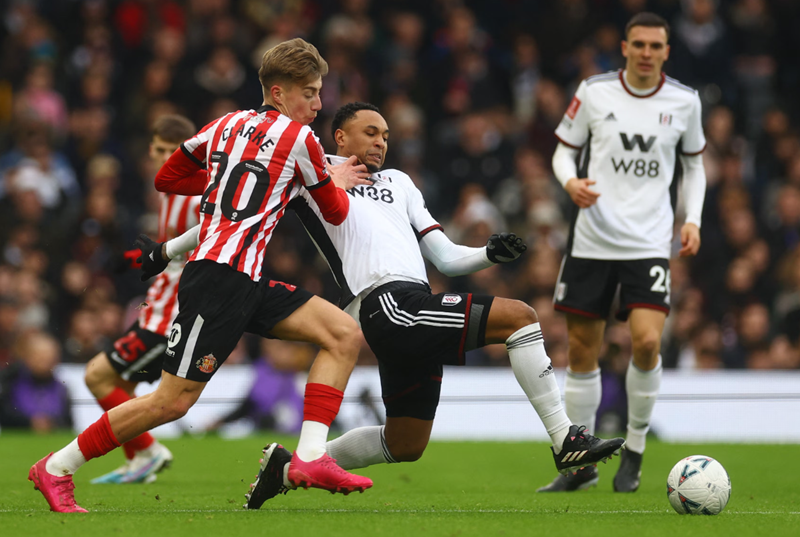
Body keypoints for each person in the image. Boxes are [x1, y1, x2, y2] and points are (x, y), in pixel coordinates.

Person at [146, 102, 625, 509]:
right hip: (382, 303)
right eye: (370, 132)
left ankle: (288, 467)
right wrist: (166, 251)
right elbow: (235, 213)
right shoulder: (309, 164)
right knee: (520, 317)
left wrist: (486, 254)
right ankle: (565, 440)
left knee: (406, 444)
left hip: (415, 300)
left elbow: (444, 257)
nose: (381, 142)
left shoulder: (400, 182)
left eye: (386, 135)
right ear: (339, 135)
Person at [28, 38, 374, 514]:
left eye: (319, 93)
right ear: (278, 93)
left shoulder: (226, 125)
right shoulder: (301, 141)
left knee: (341, 333)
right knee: (170, 402)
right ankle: (56, 467)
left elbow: (167, 178)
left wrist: (224, 178)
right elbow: (334, 213)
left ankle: (310, 457)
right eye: (309, 93)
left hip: (243, 279)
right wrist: (331, 181)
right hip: (216, 282)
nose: (317, 104)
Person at [541, 12, 707, 493]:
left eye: (656, 46)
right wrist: (570, 182)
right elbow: (562, 150)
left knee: (648, 342)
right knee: (583, 352)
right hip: (592, 239)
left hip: (649, 242)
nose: (647, 53)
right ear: (625, 46)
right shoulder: (594, 91)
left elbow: (694, 167)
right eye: (639, 45)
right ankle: (581, 463)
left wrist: (691, 219)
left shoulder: (685, 102)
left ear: (666, 51)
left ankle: (634, 448)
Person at [82, 114, 198, 485]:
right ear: (150, 149)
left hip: (169, 317)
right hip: (156, 309)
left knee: (97, 376)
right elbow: (168, 253)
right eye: (160, 150)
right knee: (123, 390)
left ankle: (148, 450)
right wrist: (131, 259)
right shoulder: (167, 191)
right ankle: (138, 460)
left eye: (173, 151)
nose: (165, 157)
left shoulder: (195, 197)